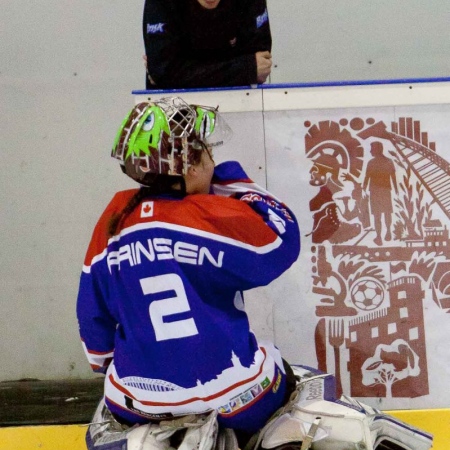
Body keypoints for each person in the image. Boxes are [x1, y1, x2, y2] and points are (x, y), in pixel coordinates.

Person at [76, 97, 300, 448]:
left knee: (108, 403)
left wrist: (111, 363)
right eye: (206, 149)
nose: (212, 155)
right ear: (190, 166)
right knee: (298, 381)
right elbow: (282, 241)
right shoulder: (211, 215)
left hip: (137, 401)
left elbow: (94, 328)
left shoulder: (114, 217)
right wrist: (233, 183)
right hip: (230, 396)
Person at [142, 0, 272, 89]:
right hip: (173, 109)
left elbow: (261, 66)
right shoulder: (161, 3)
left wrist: (180, 75)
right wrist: (245, 69)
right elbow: (163, 73)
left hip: (239, 103)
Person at [362, 141, 398, 246]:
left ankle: (379, 236)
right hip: (385, 191)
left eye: (372, 149)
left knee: (377, 215)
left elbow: (367, 177)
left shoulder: (372, 163)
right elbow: (393, 177)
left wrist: (363, 189)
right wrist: (396, 189)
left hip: (375, 191)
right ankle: (387, 232)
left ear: (377, 149)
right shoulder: (388, 161)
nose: (370, 151)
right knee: (387, 212)